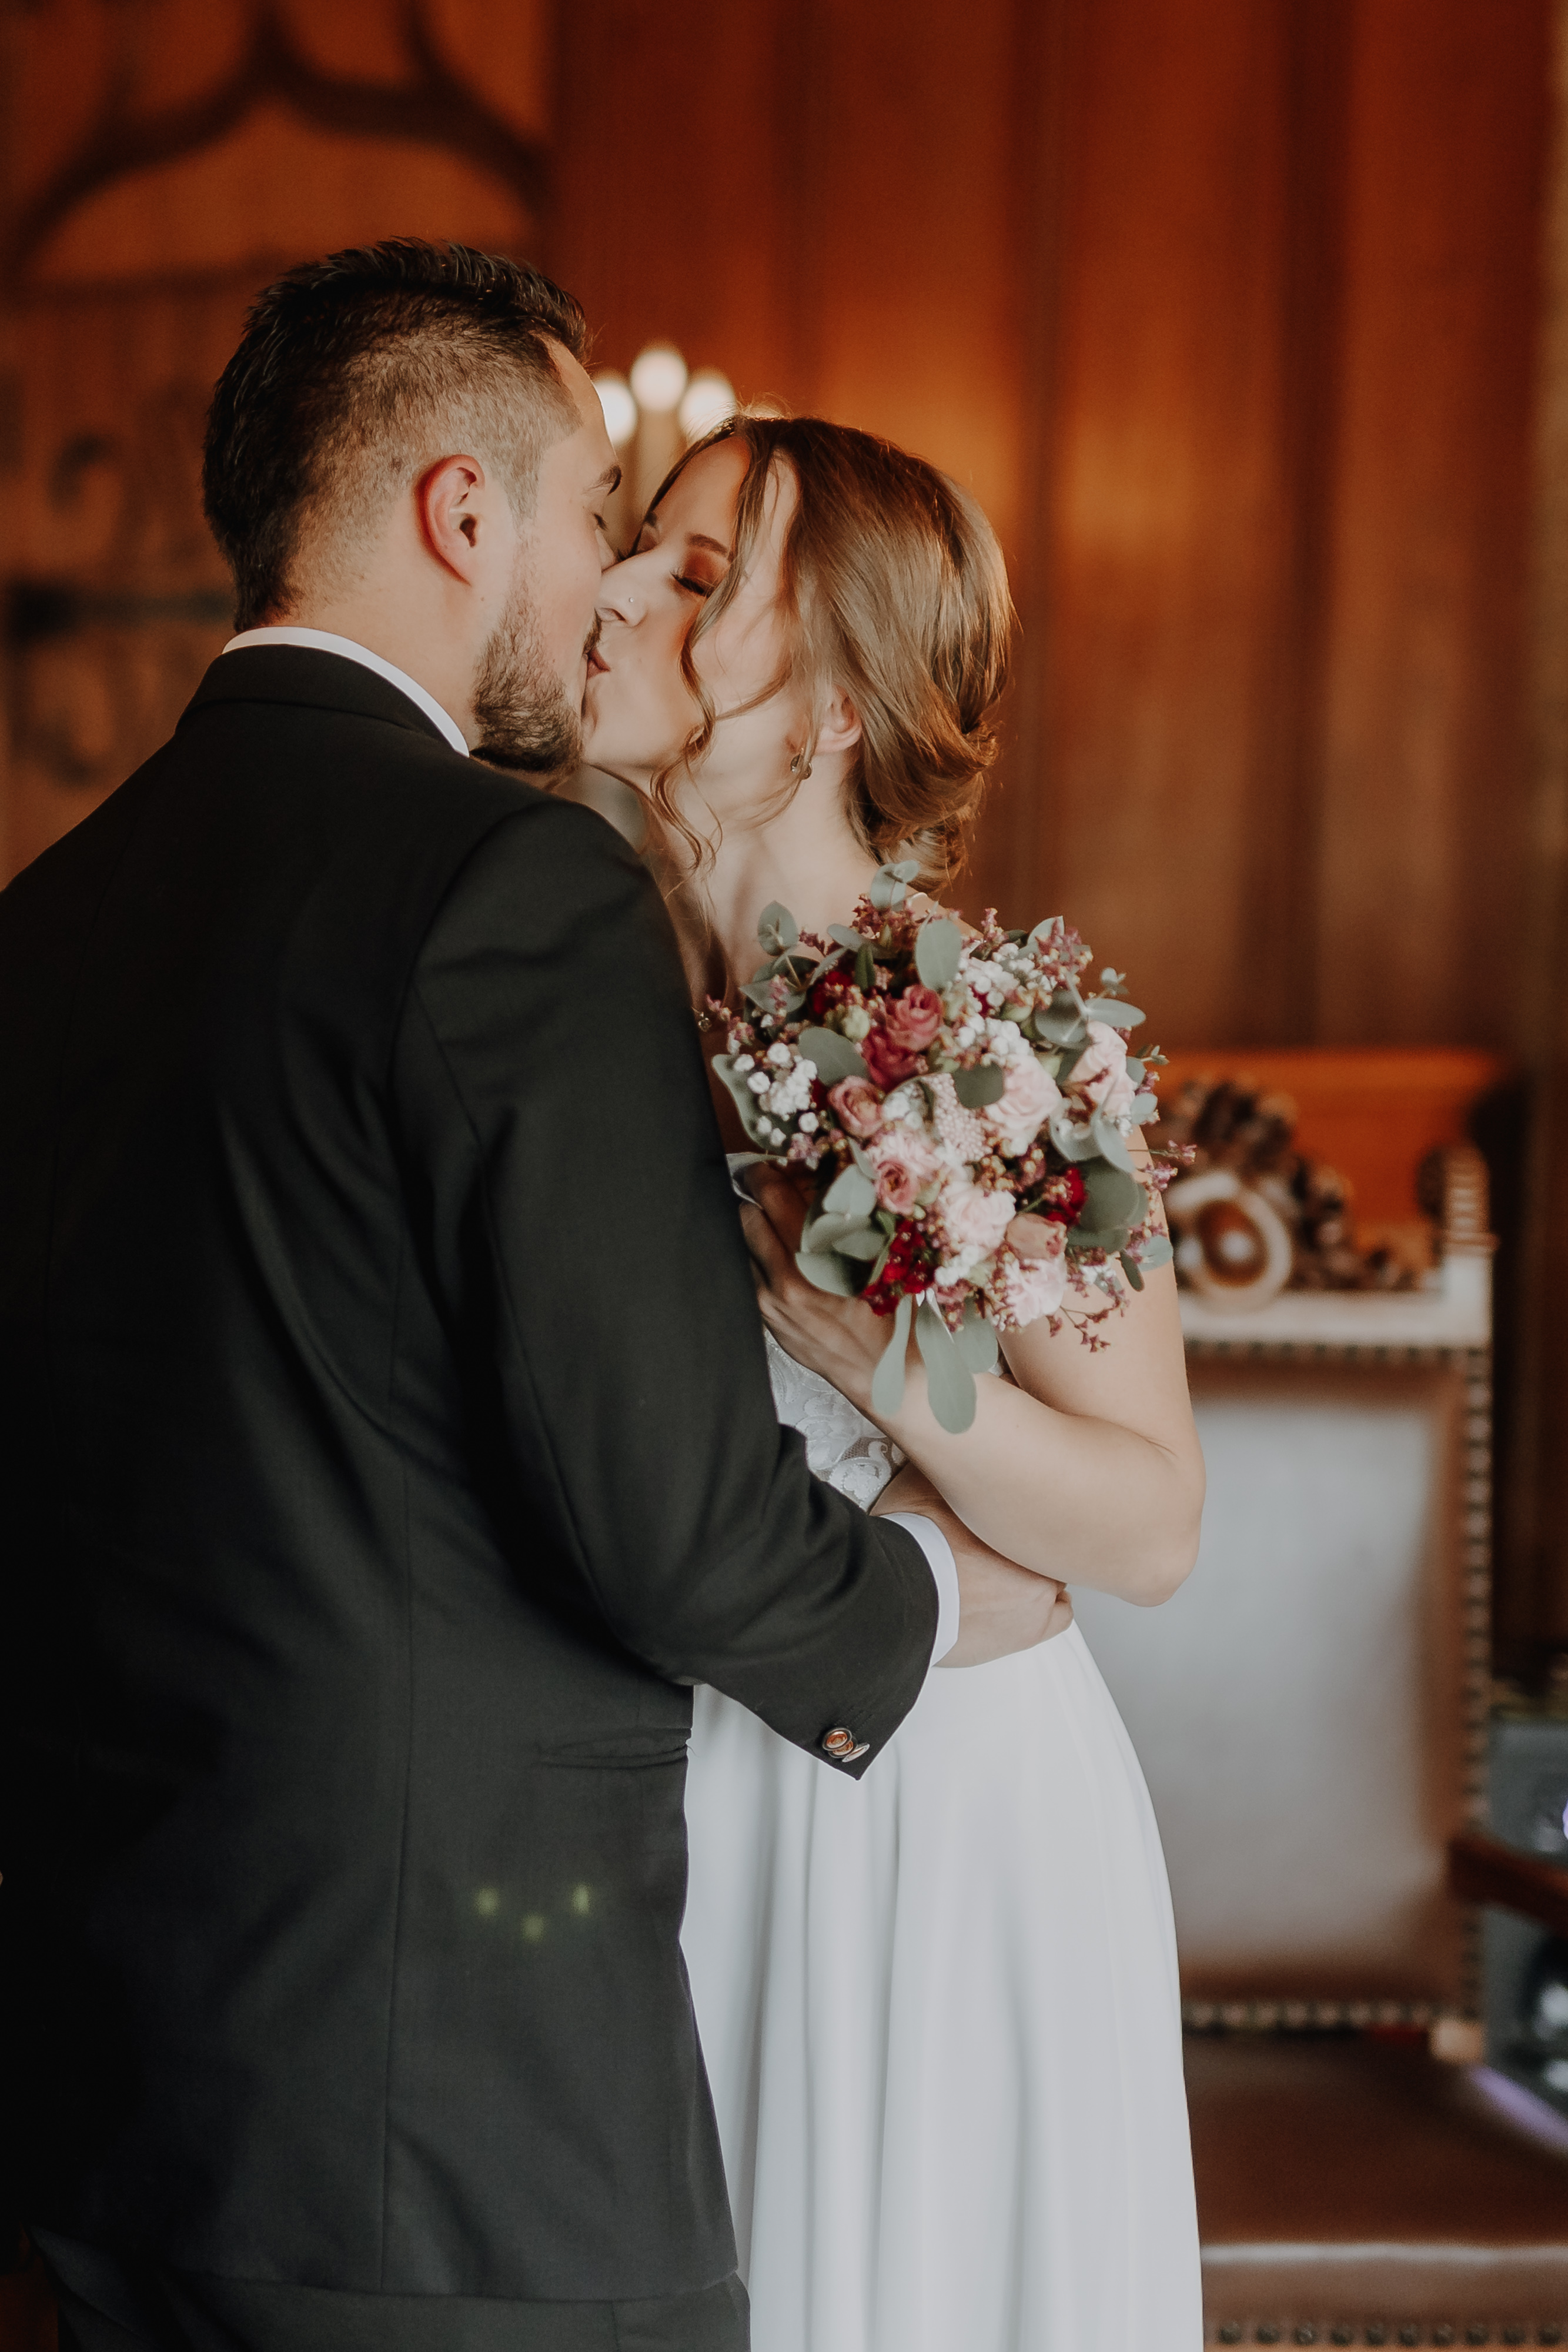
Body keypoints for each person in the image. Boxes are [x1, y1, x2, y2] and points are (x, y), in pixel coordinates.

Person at [0, 243, 1064, 2352]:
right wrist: (939, 1597)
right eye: (596, 514)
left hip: (107, 2101)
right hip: (443, 2126)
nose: (604, 587)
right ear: (461, 512)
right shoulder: (509, 880)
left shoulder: (47, 918)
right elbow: (665, 1521)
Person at [581, 412, 1209, 2351]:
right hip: (677, 1784)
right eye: (634, 545)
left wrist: (896, 1380)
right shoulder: (580, 995)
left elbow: (1151, 1520)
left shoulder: (978, 1031)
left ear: (837, 706)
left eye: (694, 577)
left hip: (944, 1811)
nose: (611, 592)